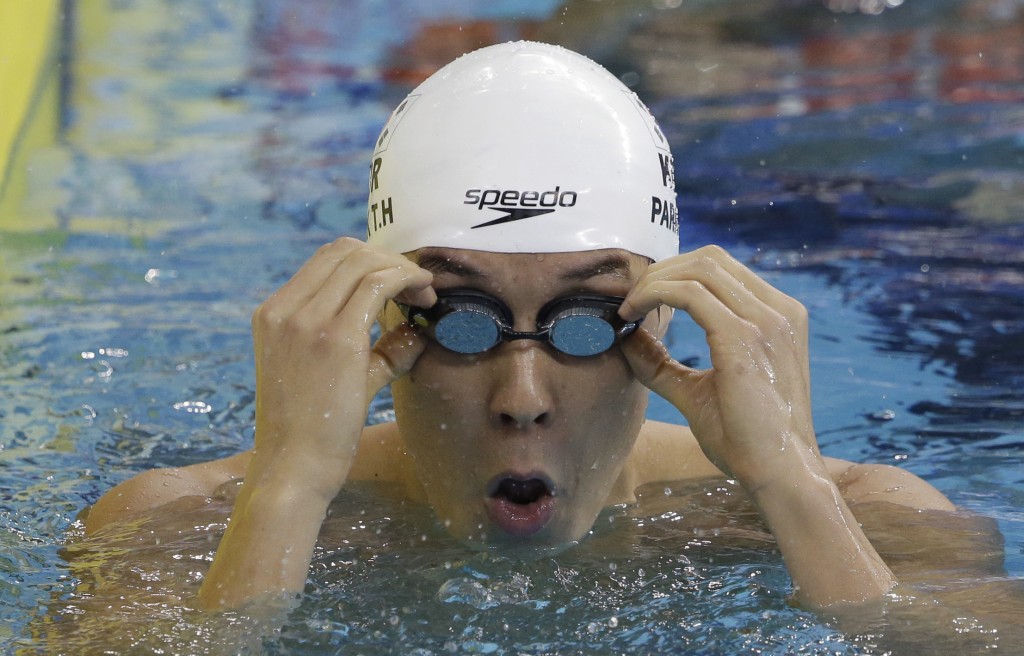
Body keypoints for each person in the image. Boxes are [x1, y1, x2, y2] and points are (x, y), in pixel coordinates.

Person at [85, 41, 957, 612]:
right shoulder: (176, 522)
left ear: (666, 321)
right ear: (382, 324)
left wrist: (793, 486)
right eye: (462, 322)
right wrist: (286, 489)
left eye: (588, 324)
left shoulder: (876, 518)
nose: (523, 399)